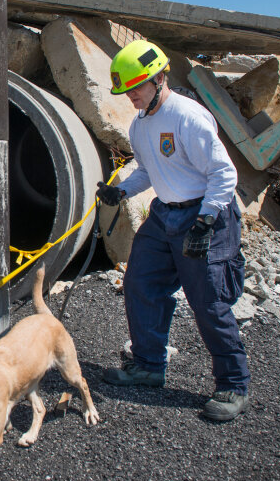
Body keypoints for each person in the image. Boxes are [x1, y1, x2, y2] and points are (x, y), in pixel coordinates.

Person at [97, 40, 249, 422]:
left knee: (209, 301)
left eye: (135, 88)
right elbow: (149, 171)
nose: (130, 97)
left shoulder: (187, 117)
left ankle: (233, 383)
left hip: (204, 213)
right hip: (166, 214)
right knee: (141, 283)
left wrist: (206, 220)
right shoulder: (141, 124)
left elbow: (224, 173)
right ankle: (149, 366)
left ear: (159, 77)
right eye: (126, 90)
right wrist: (122, 190)